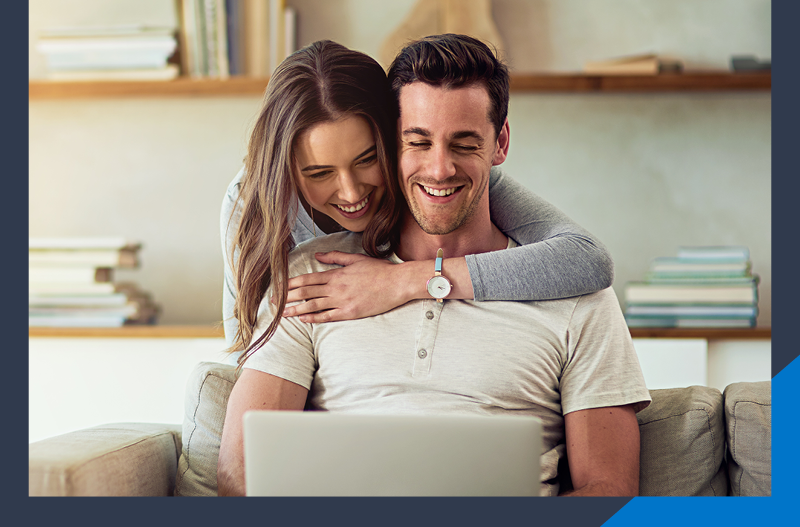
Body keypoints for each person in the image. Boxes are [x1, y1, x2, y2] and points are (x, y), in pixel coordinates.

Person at [218, 34, 651, 496]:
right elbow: (242, 474)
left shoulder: (577, 293)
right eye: (418, 142)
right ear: (395, 143)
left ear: (499, 143)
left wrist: (409, 280)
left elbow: (608, 492)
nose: (440, 169)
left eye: (464, 143)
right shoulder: (308, 272)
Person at [221, 40, 614, 366]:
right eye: (319, 173)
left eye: (368, 159)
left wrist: (402, 280)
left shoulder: (451, 176)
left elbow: (586, 259)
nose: (352, 193)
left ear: (391, 141)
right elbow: (251, 353)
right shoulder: (252, 205)